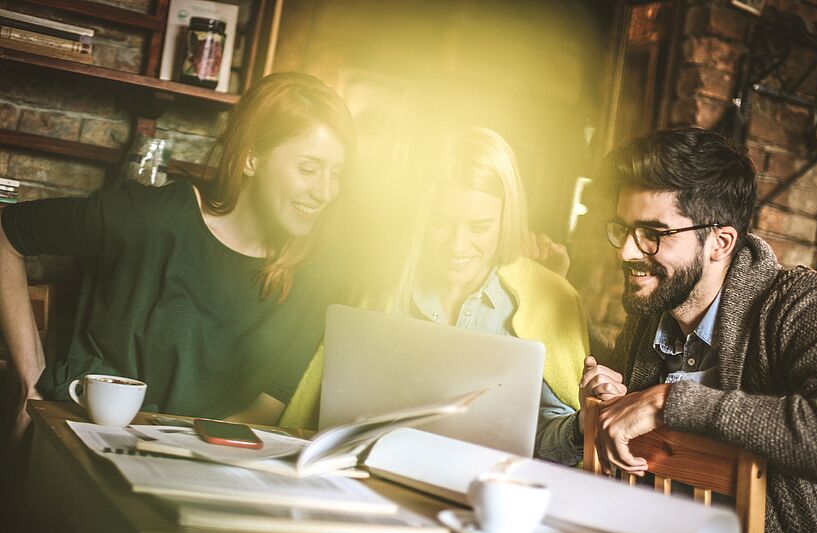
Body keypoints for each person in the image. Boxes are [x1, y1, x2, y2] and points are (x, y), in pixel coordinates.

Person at [550, 127, 817, 533]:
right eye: (624, 229)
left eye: (653, 233)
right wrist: (610, 395)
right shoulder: (652, 315)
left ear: (721, 242)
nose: (627, 251)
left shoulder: (809, 304)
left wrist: (668, 401)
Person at [0, 72, 356, 449]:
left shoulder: (313, 272)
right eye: (308, 168)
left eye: (337, 173)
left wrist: (188, 460)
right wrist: (29, 380)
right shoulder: (152, 217)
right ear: (251, 158)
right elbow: (7, 232)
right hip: (84, 441)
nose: (325, 192)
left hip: (195, 461)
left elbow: (267, 405)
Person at [312, 126, 588, 453]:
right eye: (441, 222)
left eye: (479, 227)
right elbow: (338, 409)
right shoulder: (385, 285)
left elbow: (553, 439)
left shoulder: (551, 298)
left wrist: (580, 429)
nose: (457, 246)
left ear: (507, 219)